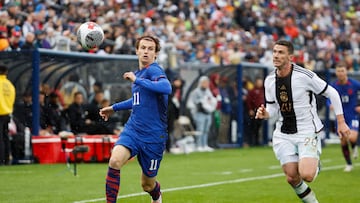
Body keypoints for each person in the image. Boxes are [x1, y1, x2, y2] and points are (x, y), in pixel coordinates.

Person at [255, 40, 350, 203]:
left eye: (281, 52)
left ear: (290, 57)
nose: (276, 55)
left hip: (306, 130)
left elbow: (332, 93)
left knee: (307, 175)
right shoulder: (269, 80)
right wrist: (265, 114)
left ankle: (315, 164)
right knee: (292, 177)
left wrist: (341, 122)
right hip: (283, 133)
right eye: (275, 52)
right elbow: (272, 108)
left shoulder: (305, 76)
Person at [99, 35, 171, 203]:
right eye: (143, 48)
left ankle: (157, 195)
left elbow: (166, 87)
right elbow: (138, 101)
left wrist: (137, 79)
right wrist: (113, 107)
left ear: (155, 54)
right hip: (134, 130)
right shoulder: (138, 75)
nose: (146, 51)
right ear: (137, 51)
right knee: (115, 160)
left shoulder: (154, 70)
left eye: (150, 49)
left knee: (147, 185)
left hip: (154, 136)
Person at [330, 62, 360, 172]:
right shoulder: (333, 86)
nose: (340, 73)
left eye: (342, 71)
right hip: (340, 117)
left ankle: (354, 145)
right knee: (343, 141)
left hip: (353, 116)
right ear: (336, 73)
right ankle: (349, 164)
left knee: (352, 137)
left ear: (346, 72)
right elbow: (328, 98)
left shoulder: (354, 84)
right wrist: (330, 105)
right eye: (338, 71)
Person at [187, 76, 217, 152]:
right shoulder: (195, 92)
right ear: (200, 83)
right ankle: (198, 145)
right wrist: (198, 104)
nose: (206, 84)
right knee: (200, 129)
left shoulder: (208, 92)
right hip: (199, 113)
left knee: (206, 130)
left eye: (207, 83)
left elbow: (211, 101)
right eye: (204, 83)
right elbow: (190, 103)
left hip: (208, 114)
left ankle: (205, 145)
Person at [0, 64, 15, 165]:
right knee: (5, 137)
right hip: (7, 113)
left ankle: (0, 160)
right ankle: (6, 159)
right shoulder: (10, 85)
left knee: (0, 138)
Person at [246, 76, 265, 146]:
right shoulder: (252, 91)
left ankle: (257, 141)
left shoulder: (262, 91)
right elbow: (249, 101)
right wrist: (250, 109)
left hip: (261, 110)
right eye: (258, 82)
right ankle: (252, 141)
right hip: (255, 110)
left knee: (259, 126)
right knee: (253, 126)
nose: (260, 84)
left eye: (261, 82)